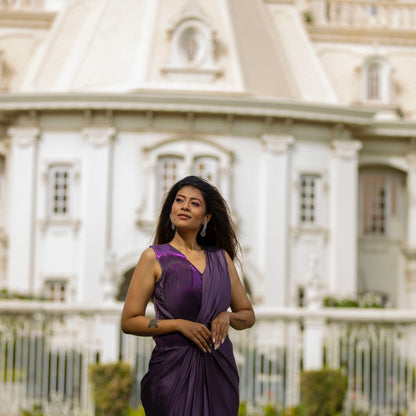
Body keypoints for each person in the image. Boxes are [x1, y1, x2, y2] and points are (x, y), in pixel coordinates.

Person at [121, 175, 255, 416]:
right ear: (171, 208)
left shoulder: (221, 259)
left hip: (218, 372)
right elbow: (129, 321)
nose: (184, 206)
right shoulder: (154, 257)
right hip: (171, 374)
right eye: (179, 200)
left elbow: (247, 315)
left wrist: (227, 317)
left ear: (206, 217)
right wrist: (180, 325)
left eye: (194, 203)